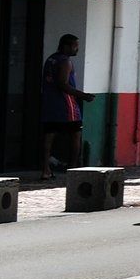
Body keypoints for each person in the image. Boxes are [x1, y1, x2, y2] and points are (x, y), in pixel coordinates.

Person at [40, 34, 91, 179]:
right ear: (66, 46)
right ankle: (73, 168)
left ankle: (45, 169)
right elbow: (63, 84)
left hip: (49, 104)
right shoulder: (65, 62)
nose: (77, 49)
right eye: (75, 46)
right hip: (66, 105)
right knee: (76, 135)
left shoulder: (51, 59)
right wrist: (83, 96)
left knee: (48, 136)